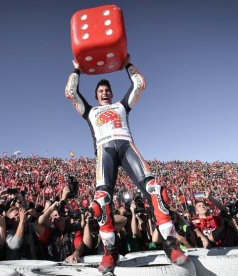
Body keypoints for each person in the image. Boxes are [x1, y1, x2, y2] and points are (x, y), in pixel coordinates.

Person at [65, 56, 187, 275]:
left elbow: (139, 84)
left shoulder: (122, 106)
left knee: (155, 190)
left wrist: (127, 64)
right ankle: (110, 250)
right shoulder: (90, 112)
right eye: (100, 91)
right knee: (101, 200)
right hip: (104, 150)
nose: (104, 93)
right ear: (96, 95)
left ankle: (171, 244)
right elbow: (71, 93)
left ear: (111, 94)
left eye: (107, 90)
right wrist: (77, 70)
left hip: (127, 145)